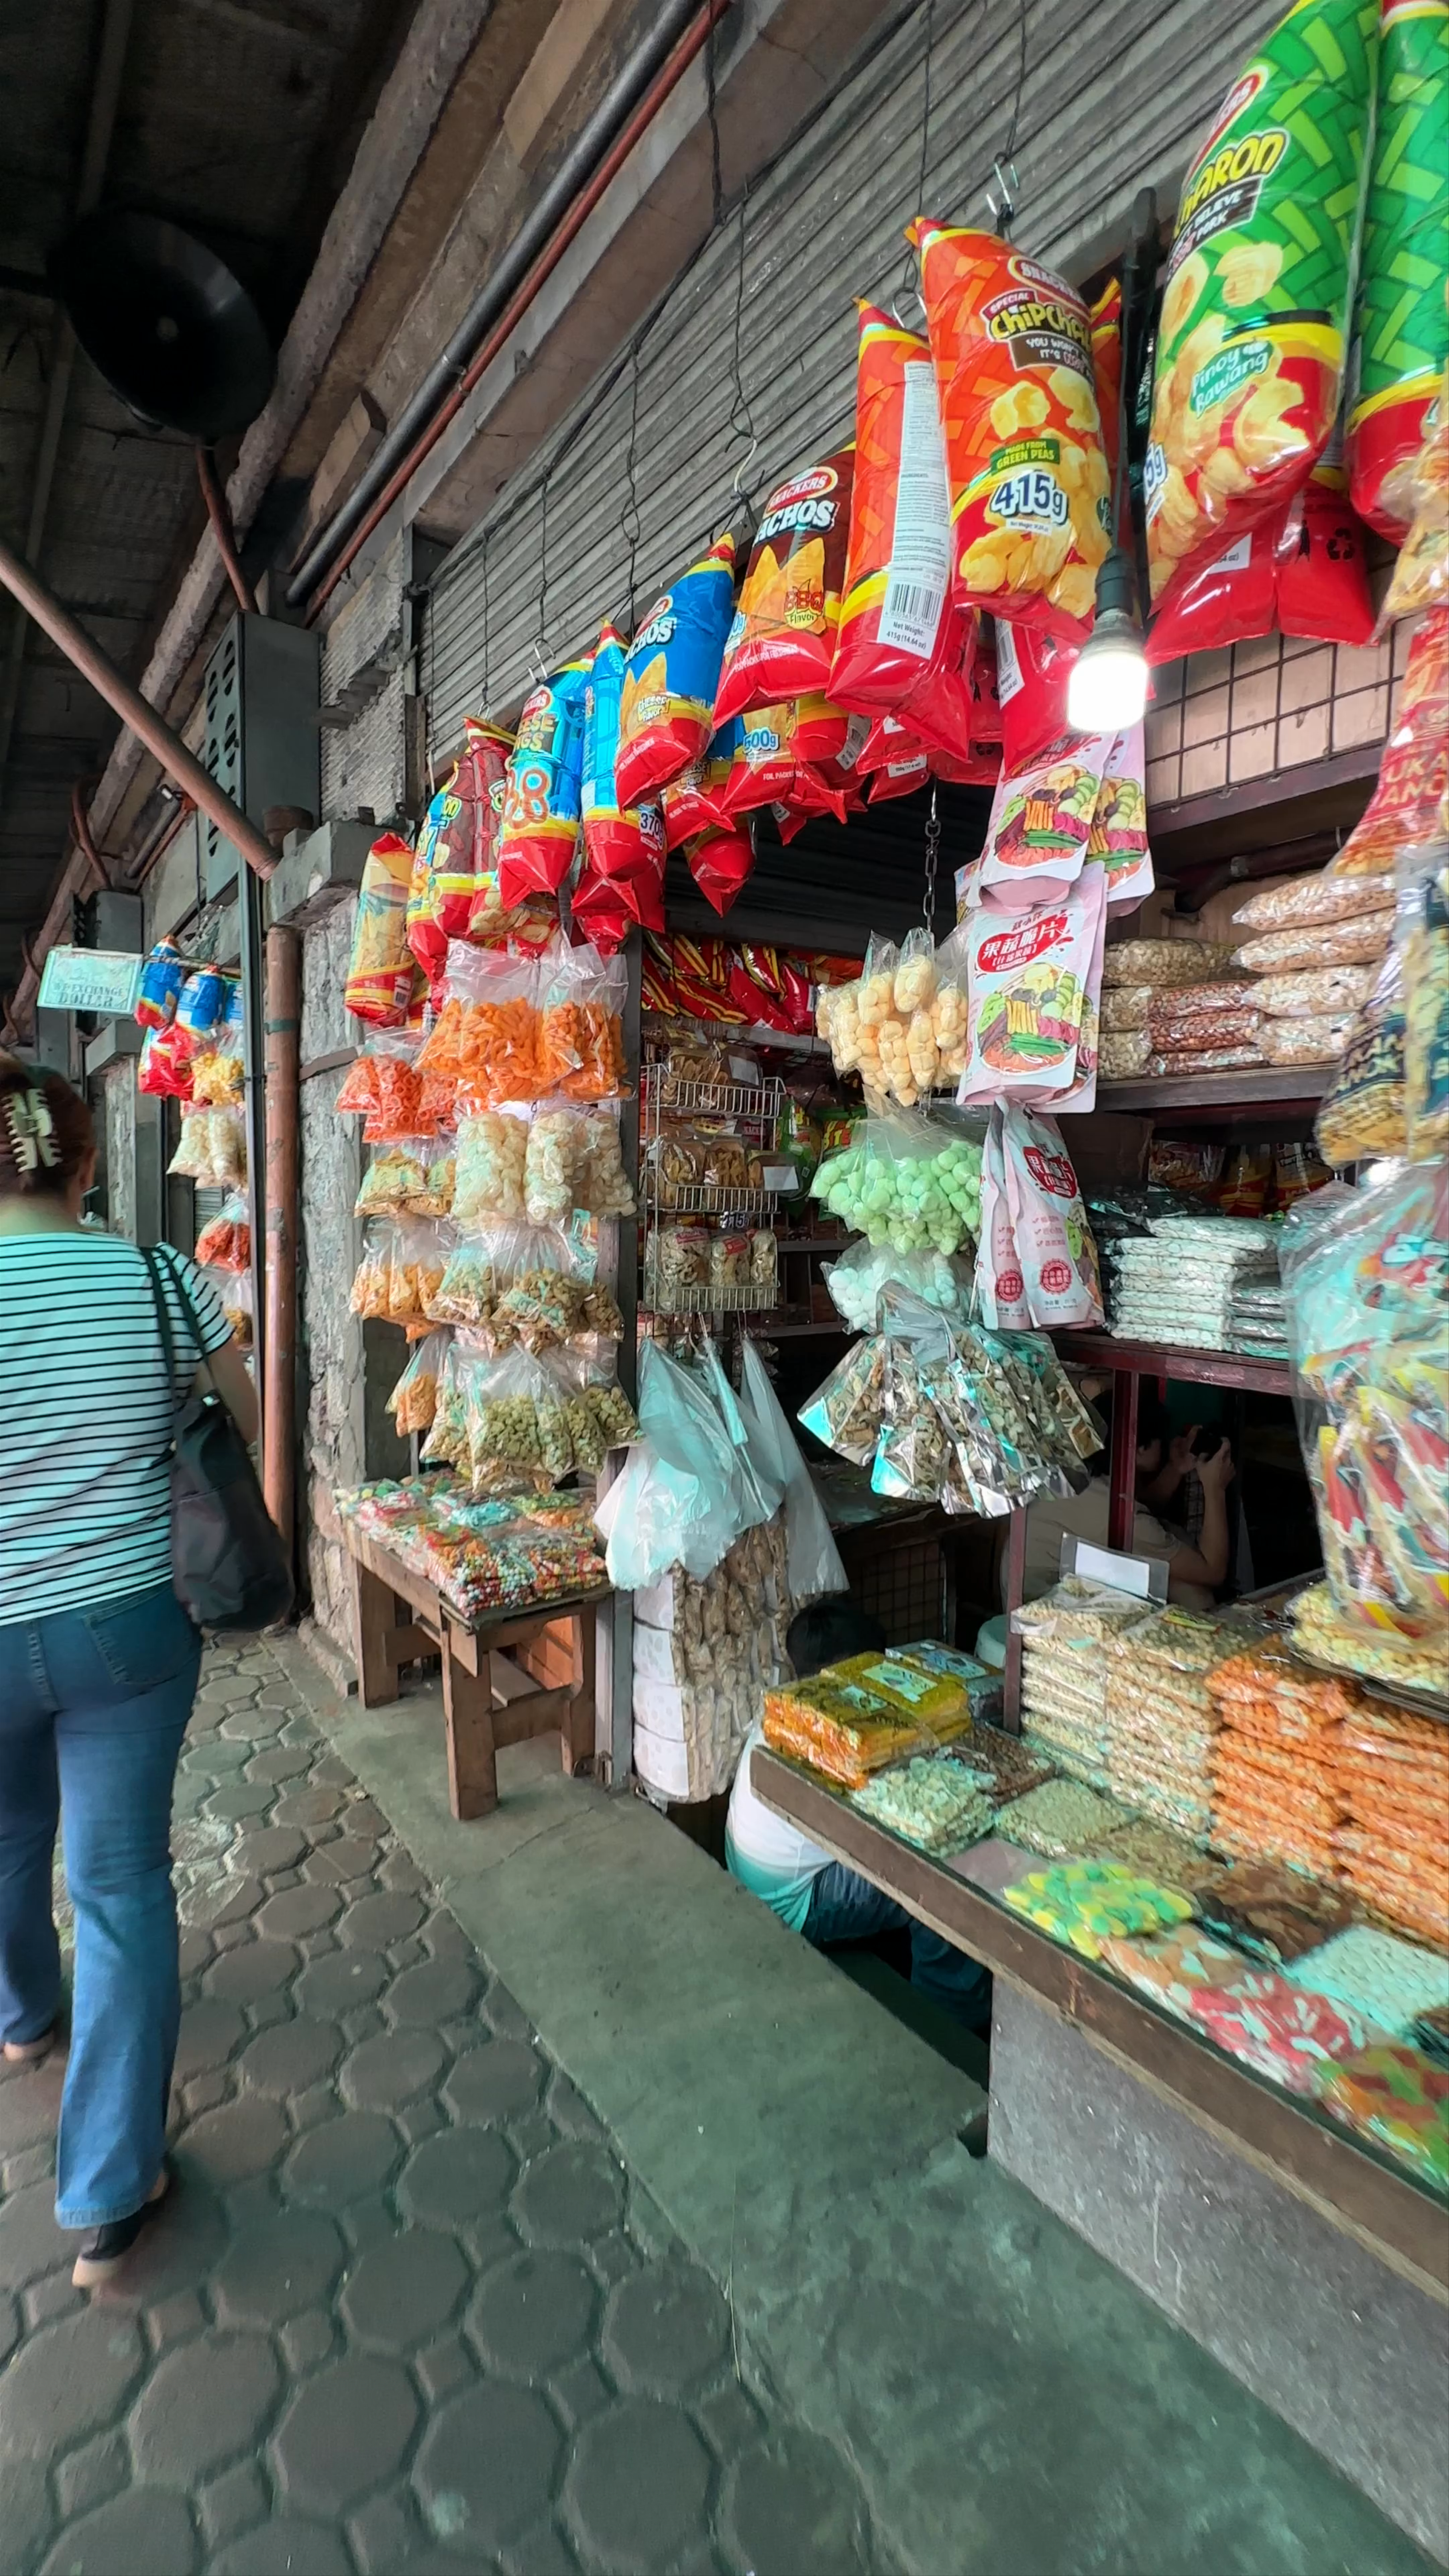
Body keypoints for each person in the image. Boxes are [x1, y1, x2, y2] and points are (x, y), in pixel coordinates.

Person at [0, 1055, 258, 2287]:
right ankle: (108, 2190)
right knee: (118, 1886)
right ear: (89, 1160)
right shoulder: (161, 1275)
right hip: (131, 1629)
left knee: (4, 1839)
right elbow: (238, 1418)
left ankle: (21, 2019)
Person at [726, 1598, 989, 2029]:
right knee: (944, 1885)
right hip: (795, 1903)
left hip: (755, 1875)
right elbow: (895, 1828)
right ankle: (948, 2025)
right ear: (843, 1670)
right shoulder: (833, 1744)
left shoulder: (788, 1712)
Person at [1010, 1384, 1235, 1610]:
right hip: (1043, 1611)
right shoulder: (1122, 1516)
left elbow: (1139, 1513)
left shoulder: (1082, 1479)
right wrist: (1215, 1489)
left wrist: (1175, 1468)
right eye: (1162, 1439)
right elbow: (1213, 1571)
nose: (1167, 1445)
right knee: (1195, 1595)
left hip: (1033, 1593)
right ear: (1140, 1449)